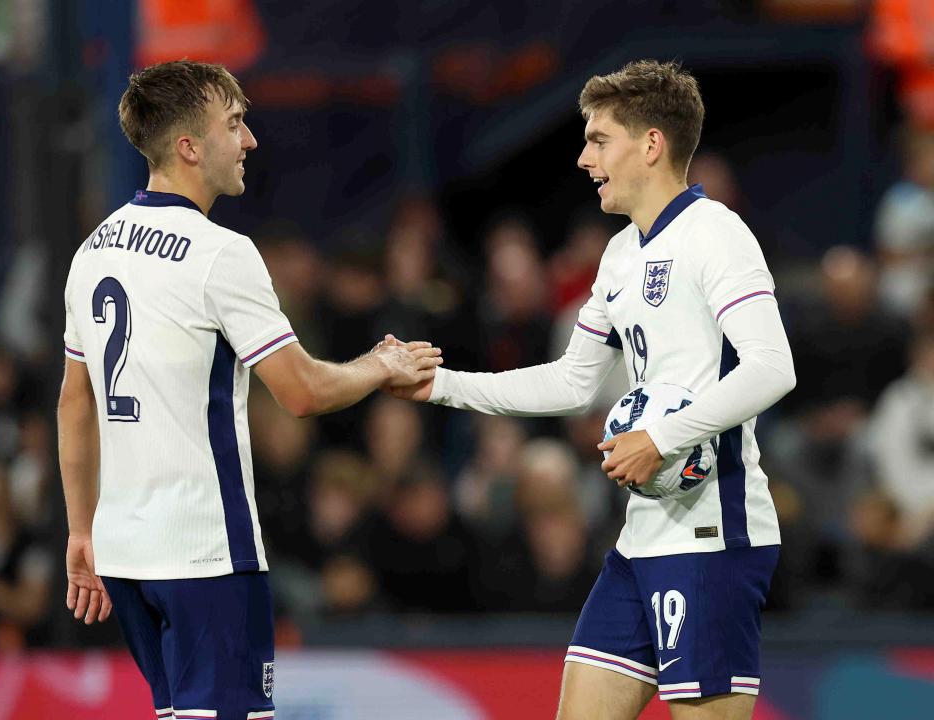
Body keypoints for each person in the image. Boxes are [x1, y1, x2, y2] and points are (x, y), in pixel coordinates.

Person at [389, 59, 795, 720]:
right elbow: (572, 382)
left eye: (599, 139)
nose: (583, 158)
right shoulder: (619, 255)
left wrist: (658, 437)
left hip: (712, 539)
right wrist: (440, 385)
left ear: (652, 144)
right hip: (640, 539)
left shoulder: (717, 235)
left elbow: (773, 367)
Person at [57, 60, 441, 720]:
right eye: (234, 124)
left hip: (125, 555)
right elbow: (302, 391)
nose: (250, 140)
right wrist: (383, 366)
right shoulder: (219, 253)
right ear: (188, 146)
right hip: (205, 555)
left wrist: (78, 529)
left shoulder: (92, 251)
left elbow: (74, 400)